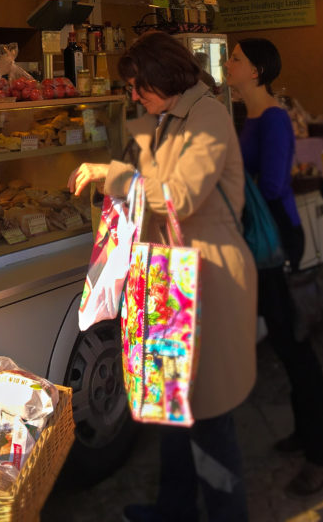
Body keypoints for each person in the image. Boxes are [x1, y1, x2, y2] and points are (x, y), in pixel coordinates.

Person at [69, 31, 257, 522]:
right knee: (172, 407)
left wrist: (110, 174)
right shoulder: (165, 117)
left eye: (137, 85)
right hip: (170, 279)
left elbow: (179, 196)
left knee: (210, 420)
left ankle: (225, 514)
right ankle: (174, 508)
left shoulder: (209, 115)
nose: (134, 95)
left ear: (163, 75)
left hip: (209, 280)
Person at [224, 37, 323, 498]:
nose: (229, 66)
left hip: (277, 238)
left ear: (256, 71)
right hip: (264, 239)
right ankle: (305, 434)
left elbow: (272, 184)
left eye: (235, 60)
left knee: (295, 345)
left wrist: (235, 185)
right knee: (284, 340)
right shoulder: (251, 116)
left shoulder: (271, 117)